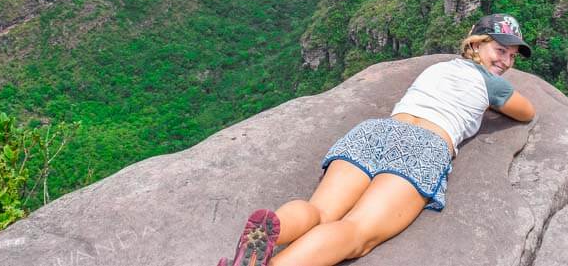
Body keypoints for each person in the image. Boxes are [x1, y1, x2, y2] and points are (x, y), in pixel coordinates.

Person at [216, 13, 537, 266]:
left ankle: (274, 228)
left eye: (512, 56)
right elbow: (526, 111)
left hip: (375, 133)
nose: (506, 62)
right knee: (358, 232)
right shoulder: (491, 83)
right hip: (423, 146)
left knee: (321, 212)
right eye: (500, 50)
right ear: (476, 44)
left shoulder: (439, 68)